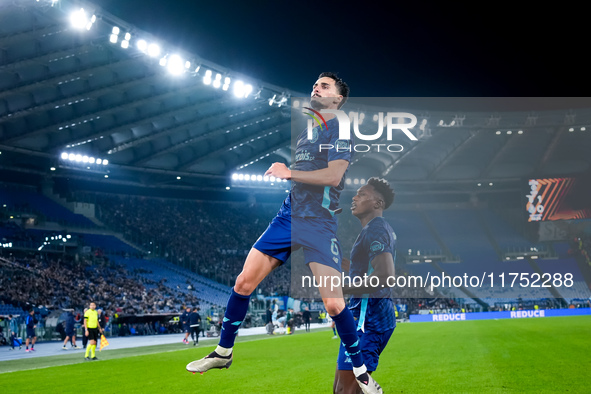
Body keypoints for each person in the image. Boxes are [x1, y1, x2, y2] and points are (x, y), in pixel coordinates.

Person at [186, 72, 382, 394]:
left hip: (319, 222)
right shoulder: (308, 132)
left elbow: (335, 176)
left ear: (338, 99)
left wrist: (288, 171)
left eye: (325, 86)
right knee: (243, 282)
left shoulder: (339, 124)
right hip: (288, 217)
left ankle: (362, 374)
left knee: (333, 305)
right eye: (315, 84)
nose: (316, 88)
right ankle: (223, 352)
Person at [333, 178, 397, 394]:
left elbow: (386, 276)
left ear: (377, 203)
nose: (354, 197)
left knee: (347, 390)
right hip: (361, 317)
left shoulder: (376, 230)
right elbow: (366, 270)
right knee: (341, 389)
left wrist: (343, 289)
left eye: (361, 194)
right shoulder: (372, 230)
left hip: (369, 319)